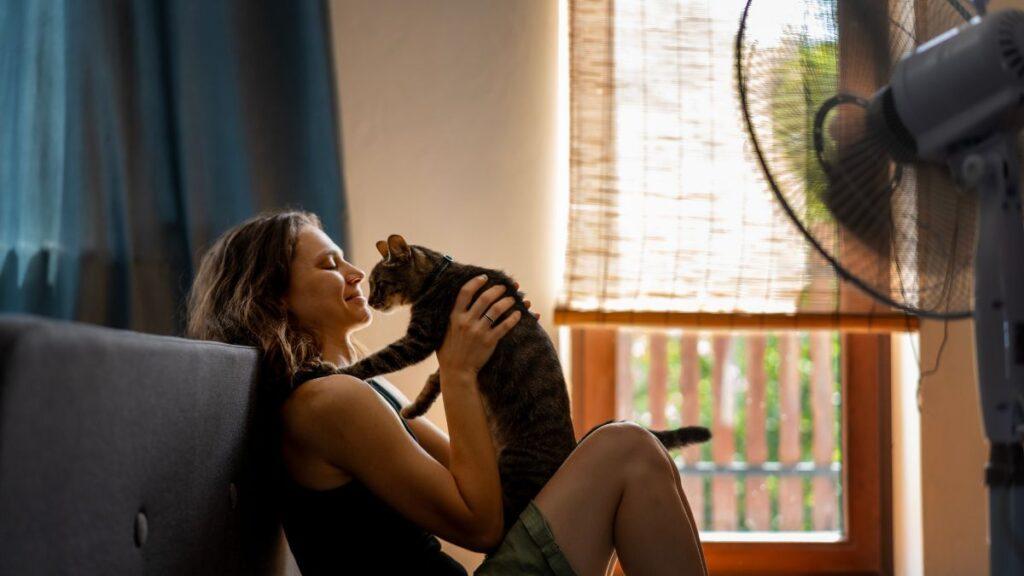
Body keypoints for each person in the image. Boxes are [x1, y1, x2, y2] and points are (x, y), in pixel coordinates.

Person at [186, 210, 708, 576]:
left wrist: (501, 362)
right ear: (274, 296)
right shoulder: (327, 404)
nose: (356, 273)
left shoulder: (367, 392)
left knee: (628, 448)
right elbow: (480, 527)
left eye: (345, 259)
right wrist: (455, 372)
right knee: (627, 447)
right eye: (329, 265)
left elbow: (489, 494)